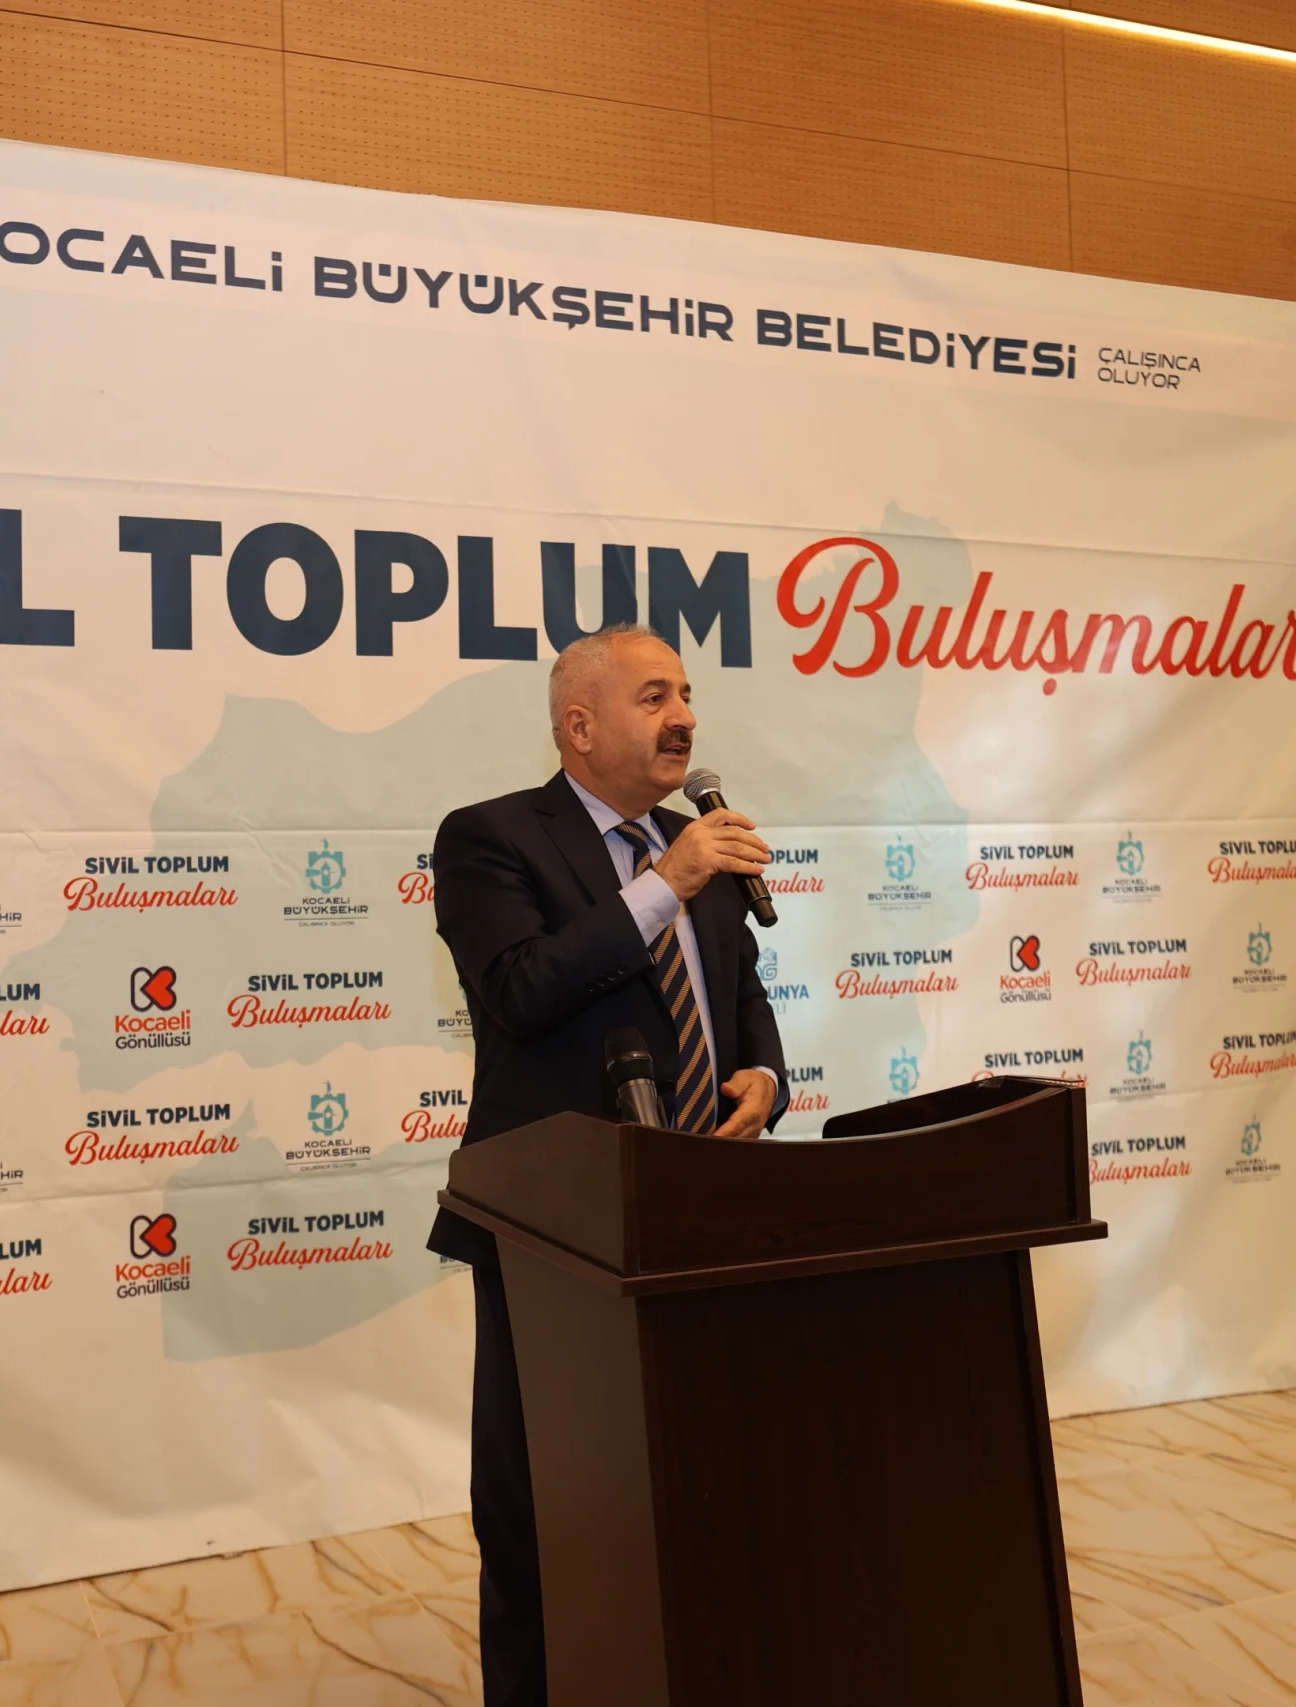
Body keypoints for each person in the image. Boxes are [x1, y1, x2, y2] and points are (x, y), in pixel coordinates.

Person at [427, 625, 788, 1706]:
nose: (684, 718)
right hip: (557, 1228)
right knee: (545, 1502)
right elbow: (521, 989)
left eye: (686, 695)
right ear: (579, 727)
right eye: (653, 697)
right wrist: (664, 883)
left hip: (703, 1211)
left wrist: (766, 1075)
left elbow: (740, 990)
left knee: (699, 1486)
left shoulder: (695, 843)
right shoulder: (491, 838)